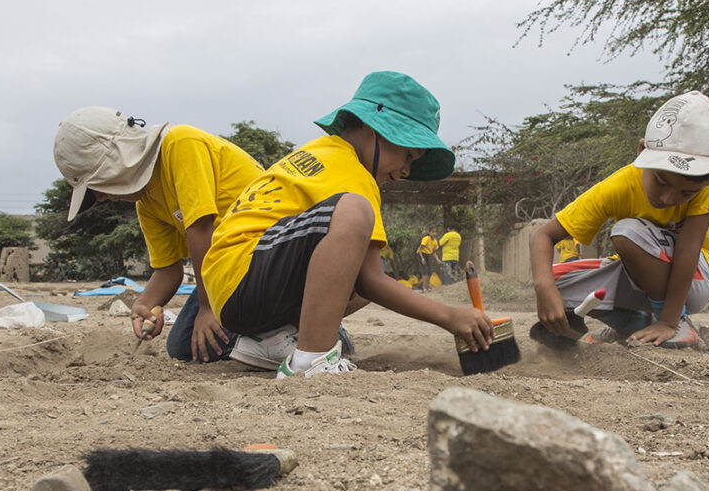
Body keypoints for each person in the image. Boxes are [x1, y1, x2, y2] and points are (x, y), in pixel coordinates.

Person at [201, 71, 494, 378]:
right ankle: (312, 360)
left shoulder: (321, 153)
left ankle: (270, 338)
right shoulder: (354, 175)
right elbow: (371, 281)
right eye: (407, 154)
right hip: (245, 274)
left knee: (361, 264)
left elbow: (365, 281)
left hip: (233, 282)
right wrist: (449, 315)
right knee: (356, 212)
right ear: (373, 128)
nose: (406, 170)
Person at [53, 107, 274, 363]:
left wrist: (208, 307)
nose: (101, 197)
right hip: (227, 271)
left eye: (96, 188)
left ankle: (291, 329)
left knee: (211, 328)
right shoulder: (146, 204)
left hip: (265, 252)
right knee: (185, 347)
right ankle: (264, 335)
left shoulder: (180, 144)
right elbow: (168, 269)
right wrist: (144, 304)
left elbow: (201, 227)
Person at [529, 91, 709, 349]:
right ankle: (631, 322)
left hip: (697, 278)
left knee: (627, 231)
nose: (668, 198)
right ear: (641, 152)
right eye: (660, 181)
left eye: (686, 193)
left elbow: (688, 248)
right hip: (638, 278)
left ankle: (678, 321)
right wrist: (543, 289)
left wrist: (669, 321)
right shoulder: (619, 186)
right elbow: (542, 236)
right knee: (555, 281)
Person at [416, 226, 441, 291]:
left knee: (430, 271)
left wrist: (437, 259)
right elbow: (419, 249)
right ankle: (424, 287)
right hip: (421, 254)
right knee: (425, 270)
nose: (434, 234)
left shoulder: (435, 241)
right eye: (433, 232)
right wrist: (422, 258)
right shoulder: (426, 239)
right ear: (429, 232)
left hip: (428, 255)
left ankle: (427, 286)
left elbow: (434, 252)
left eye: (435, 232)